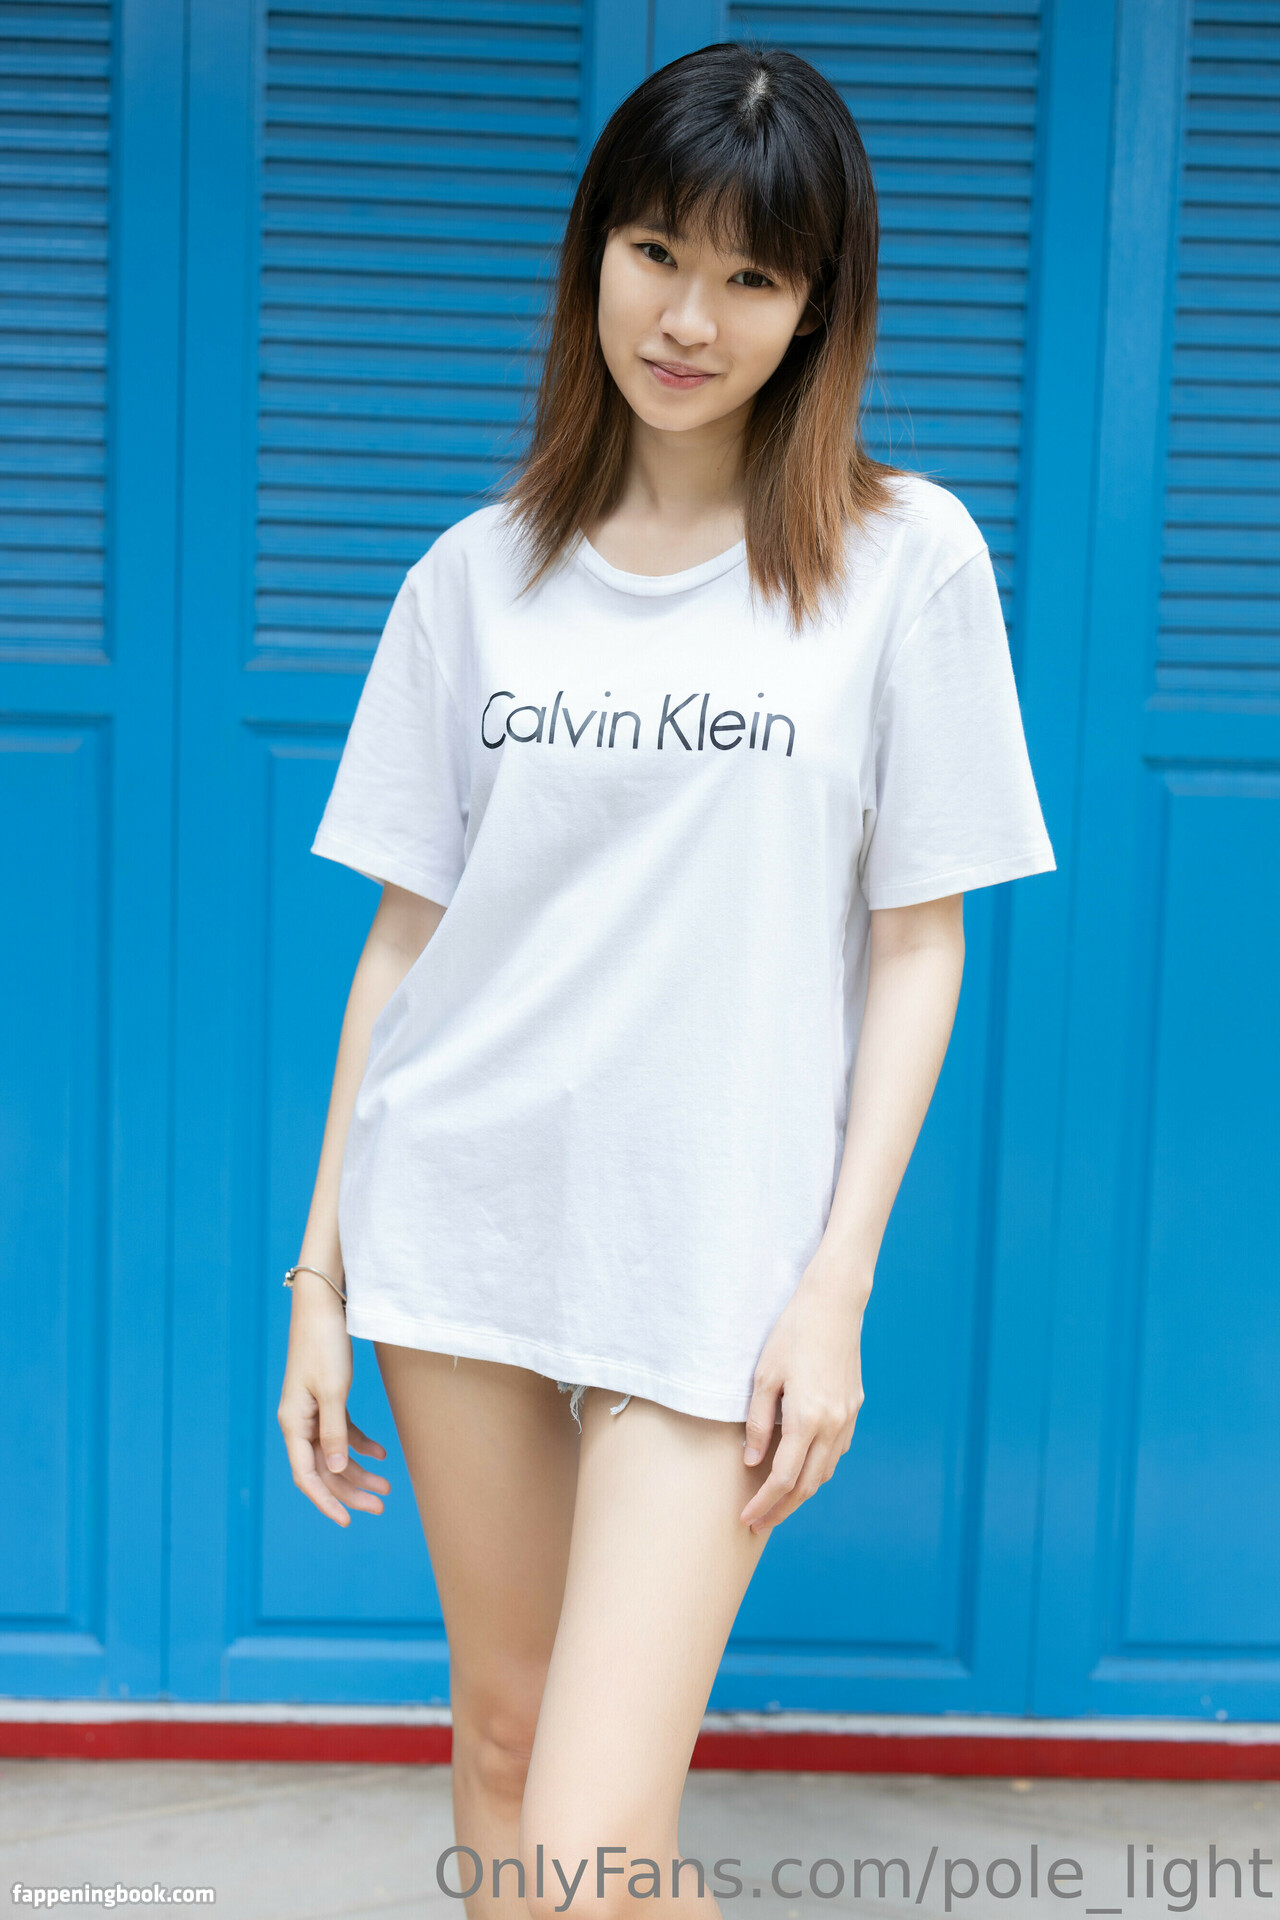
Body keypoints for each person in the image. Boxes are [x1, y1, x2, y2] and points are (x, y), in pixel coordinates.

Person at [277, 40, 1056, 1920]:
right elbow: (406, 941)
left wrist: (834, 1284)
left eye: (751, 276)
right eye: (655, 254)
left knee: (589, 1845)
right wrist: (320, 1278)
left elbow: (920, 939)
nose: (689, 320)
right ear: (594, 257)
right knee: (498, 1737)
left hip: (714, 1255)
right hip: (459, 1213)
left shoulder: (903, 562)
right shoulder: (474, 578)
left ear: (816, 307)